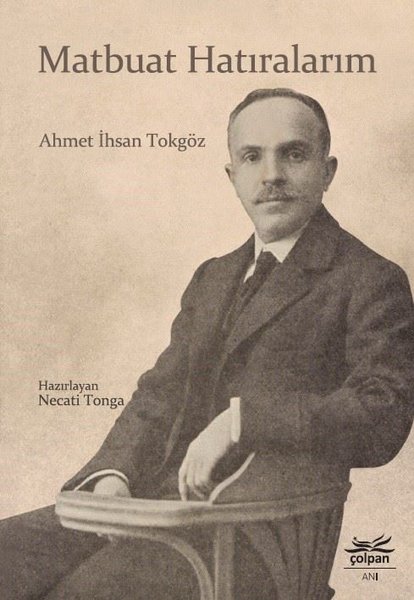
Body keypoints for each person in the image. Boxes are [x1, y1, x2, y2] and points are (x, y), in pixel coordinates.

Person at [1, 88, 413, 599]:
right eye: (252, 157)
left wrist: (243, 421)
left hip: (258, 539)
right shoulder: (214, 278)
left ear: (327, 171)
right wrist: (115, 474)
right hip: (159, 508)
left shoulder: (369, 278)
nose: (272, 175)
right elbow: (160, 395)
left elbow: (382, 414)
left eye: (293, 154)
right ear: (232, 176)